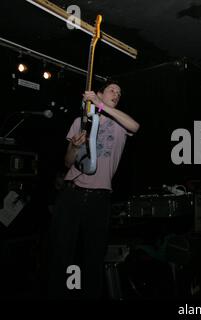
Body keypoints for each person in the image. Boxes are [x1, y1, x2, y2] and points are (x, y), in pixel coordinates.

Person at [47, 81, 139, 298]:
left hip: (100, 197)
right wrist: (74, 147)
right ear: (99, 93)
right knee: (62, 251)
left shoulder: (119, 124)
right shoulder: (81, 121)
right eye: (112, 90)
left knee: (94, 255)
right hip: (73, 192)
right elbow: (68, 162)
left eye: (119, 91)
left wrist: (101, 105)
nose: (117, 93)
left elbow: (135, 126)